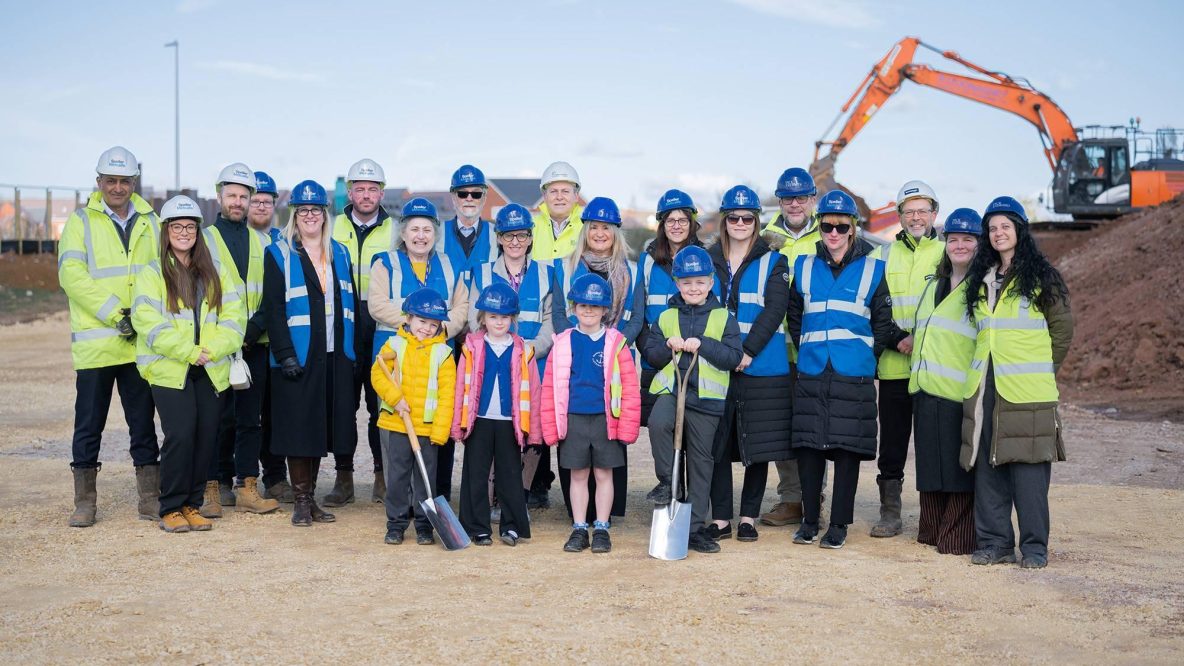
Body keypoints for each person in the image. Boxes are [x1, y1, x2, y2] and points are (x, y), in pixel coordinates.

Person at [787, 190, 909, 550]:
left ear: (853, 228)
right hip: (812, 368)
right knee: (809, 448)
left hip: (852, 372)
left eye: (841, 226)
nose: (834, 233)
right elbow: (795, 316)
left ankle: (839, 523)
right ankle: (810, 521)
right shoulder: (804, 267)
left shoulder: (873, 269)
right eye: (827, 226)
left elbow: (883, 323)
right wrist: (810, 345)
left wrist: (863, 355)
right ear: (820, 227)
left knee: (846, 450)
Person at [962, 196, 1073, 569]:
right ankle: (995, 543)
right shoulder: (982, 279)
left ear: (1019, 230)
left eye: (1005, 226)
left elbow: (1062, 330)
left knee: (1029, 472)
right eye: (992, 228)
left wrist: (1043, 370)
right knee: (989, 468)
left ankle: (1035, 547)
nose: (998, 233)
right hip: (986, 386)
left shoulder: (1042, 276)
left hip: (1027, 390)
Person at [58, 146, 160, 527]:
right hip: (97, 346)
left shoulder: (152, 221)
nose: (118, 187)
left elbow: (163, 271)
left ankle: (150, 498)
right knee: (88, 425)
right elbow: (72, 276)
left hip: (138, 345)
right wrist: (117, 314)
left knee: (143, 424)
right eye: (111, 180)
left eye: (125, 181)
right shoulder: (80, 222)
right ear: (99, 181)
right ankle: (85, 502)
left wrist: (143, 318)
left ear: (134, 183)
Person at [132, 196, 245, 533]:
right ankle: (170, 506)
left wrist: (212, 349)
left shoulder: (215, 271)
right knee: (180, 436)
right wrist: (189, 351)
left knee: (206, 437)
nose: (184, 233)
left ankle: (192, 505)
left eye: (190, 227)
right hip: (170, 370)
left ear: (198, 231)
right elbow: (148, 323)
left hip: (209, 368)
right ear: (166, 231)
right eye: (177, 227)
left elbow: (235, 317)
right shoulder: (152, 273)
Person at [262, 179, 357, 528]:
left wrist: (350, 354)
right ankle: (301, 501)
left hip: (334, 354)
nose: (310, 216)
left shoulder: (340, 253)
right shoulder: (279, 253)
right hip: (298, 356)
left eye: (316, 209)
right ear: (294, 214)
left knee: (320, 428)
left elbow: (349, 304)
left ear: (324, 213)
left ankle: (312, 498)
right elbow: (273, 309)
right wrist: (285, 353)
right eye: (303, 210)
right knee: (300, 428)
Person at [640, 246, 742, 554]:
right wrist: (666, 345)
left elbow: (733, 357)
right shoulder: (666, 316)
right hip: (673, 391)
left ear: (711, 282)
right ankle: (667, 482)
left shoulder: (724, 318)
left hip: (707, 400)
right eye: (686, 282)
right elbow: (651, 355)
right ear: (677, 283)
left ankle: (695, 528)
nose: (693, 288)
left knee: (700, 462)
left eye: (700, 282)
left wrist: (705, 345)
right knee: (658, 423)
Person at [706, 185, 792, 543]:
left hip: (761, 366)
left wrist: (746, 351)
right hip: (716, 365)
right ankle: (721, 518)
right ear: (724, 221)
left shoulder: (774, 261)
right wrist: (725, 354)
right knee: (718, 444)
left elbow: (775, 310)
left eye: (747, 218)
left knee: (758, 446)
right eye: (733, 218)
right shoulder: (707, 259)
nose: (740, 223)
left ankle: (748, 518)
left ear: (756, 221)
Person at [369, 197, 468, 501]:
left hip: (437, 359)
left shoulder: (451, 264)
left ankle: (431, 496)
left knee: (435, 424)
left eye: (427, 230)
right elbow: (377, 304)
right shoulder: (385, 263)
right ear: (403, 232)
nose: (421, 236)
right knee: (396, 427)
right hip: (397, 359)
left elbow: (462, 306)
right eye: (414, 229)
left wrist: (439, 331)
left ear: (435, 234)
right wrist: (413, 326)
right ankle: (399, 499)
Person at [466, 203, 557, 518]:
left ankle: (520, 496)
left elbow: (551, 320)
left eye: (521, 235)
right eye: (508, 235)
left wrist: (530, 350)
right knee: (498, 432)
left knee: (531, 431)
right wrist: (501, 348)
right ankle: (494, 500)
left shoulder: (546, 273)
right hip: (494, 362)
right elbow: (474, 318)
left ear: (530, 238)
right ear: (499, 238)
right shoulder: (483, 272)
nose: (515, 242)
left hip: (534, 363)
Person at [201, 163, 280, 518]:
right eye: (231, 195)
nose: (237, 202)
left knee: (250, 419)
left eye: (243, 196)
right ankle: (211, 488)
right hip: (217, 346)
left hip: (253, 344)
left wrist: (250, 331)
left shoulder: (263, 242)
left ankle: (247, 486)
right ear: (219, 196)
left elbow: (271, 295)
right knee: (216, 419)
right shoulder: (204, 240)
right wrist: (230, 336)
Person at [554, 196, 639, 521]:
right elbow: (559, 315)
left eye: (606, 228)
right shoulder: (566, 266)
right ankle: (578, 515)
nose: (600, 233)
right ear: (585, 230)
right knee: (575, 445)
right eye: (594, 227)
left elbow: (636, 316)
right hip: (575, 359)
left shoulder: (631, 270)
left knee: (608, 446)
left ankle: (606, 515)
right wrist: (578, 345)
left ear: (615, 232)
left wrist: (613, 346)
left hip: (615, 361)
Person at [542, 274, 641, 554]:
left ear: (605, 310)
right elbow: (550, 387)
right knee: (578, 475)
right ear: (573, 308)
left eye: (595, 306)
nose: (588, 311)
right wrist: (551, 426)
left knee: (603, 474)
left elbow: (629, 386)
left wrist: (627, 426)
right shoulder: (563, 342)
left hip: (605, 419)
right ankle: (579, 527)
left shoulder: (616, 342)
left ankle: (601, 528)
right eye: (583, 305)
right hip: (573, 419)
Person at [868, 180, 945, 538]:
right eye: (909, 211)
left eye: (922, 211)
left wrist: (920, 339)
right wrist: (898, 338)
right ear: (899, 216)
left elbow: (951, 308)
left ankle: (934, 516)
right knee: (893, 444)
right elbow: (873, 307)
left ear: (934, 214)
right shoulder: (881, 256)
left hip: (933, 368)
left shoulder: (947, 254)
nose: (916, 217)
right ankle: (890, 512)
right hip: (894, 366)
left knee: (932, 444)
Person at [909, 208, 983, 555]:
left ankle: (957, 537)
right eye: (953, 239)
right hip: (925, 389)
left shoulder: (982, 287)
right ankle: (931, 530)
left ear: (979, 244)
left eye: (968, 239)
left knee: (958, 469)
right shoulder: (933, 284)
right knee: (929, 466)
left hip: (960, 392)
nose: (959, 245)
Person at [326, 158, 398, 506]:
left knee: (379, 404)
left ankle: (383, 477)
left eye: (372, 189)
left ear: (381, 193)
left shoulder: (396, 230)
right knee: (343, 406)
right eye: (360, 189)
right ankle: (344, 478)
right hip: (343, 322)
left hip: (380, 326)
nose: (366, 195)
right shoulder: (332, 226)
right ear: (350, 192)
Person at [453, 284, 542, 546]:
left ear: (513, 319)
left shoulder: (523, 350)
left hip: (510, 422)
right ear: (483, 318)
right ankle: (478, 527)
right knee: (476, 474)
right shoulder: (471, 347)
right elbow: (460, 387)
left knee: (510, 474)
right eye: (493, 316)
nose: (499, 322)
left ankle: (512, 526)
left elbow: (534, 391)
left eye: (505, 317)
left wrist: (534, 431)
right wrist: (457, 425)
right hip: (478, 420)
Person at [760, 168, 822, 528]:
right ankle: (791, 499)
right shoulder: (765, 238)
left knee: (813, 427)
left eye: (801, 197)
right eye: (787, 198)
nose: (794, 204)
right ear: (779, 201)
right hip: (776, 350)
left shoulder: (830, 233)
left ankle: (814, 498)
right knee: (783, 427)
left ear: (812, 199)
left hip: (815, 348)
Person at [371, 288, 457, 545]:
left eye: (433, 324)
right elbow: (378, 375)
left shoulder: (443, 353)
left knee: (425, 479)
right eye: (422, 321)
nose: (427, 328)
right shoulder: (394, 345)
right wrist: (395, 399)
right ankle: (396, 524)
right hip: (398, 424)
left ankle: (424, 524)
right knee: (397, 476)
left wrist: (440, 432)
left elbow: (447, 396)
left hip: (427, 429)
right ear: (408, 318)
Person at [634, 189, 711, 435]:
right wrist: (651, 351)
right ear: (662, 224)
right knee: (661, 431)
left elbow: (713, 310)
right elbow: (638, 313)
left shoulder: (706, 257)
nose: (677, 226)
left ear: (692, 222)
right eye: (670, 220)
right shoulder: (647, 261)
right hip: (655, 360)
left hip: (694, 361)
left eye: (682, 220)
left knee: (692, 435)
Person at [248, 170, 292, 502]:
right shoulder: (235, 239)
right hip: (241, 340)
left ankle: (276, 478)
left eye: (267, 201)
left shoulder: (284, 242)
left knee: (275, 416)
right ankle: (235, 478)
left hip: (273, 340)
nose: (261, 206)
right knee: (240, 417)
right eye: (256, 200)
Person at [442, 164, 499, 275]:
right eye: (462, 194)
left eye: (476, 194)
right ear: (453, 197)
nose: (469, 198)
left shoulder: (497, 235)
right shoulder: (437, 234)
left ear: (484, 198)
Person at [530, 161, 585, 261]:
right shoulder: (530, 227)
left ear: (576, 196)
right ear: (545, 196)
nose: (559, 197)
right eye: (553, 191)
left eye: (565, 191)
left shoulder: (586, 229)